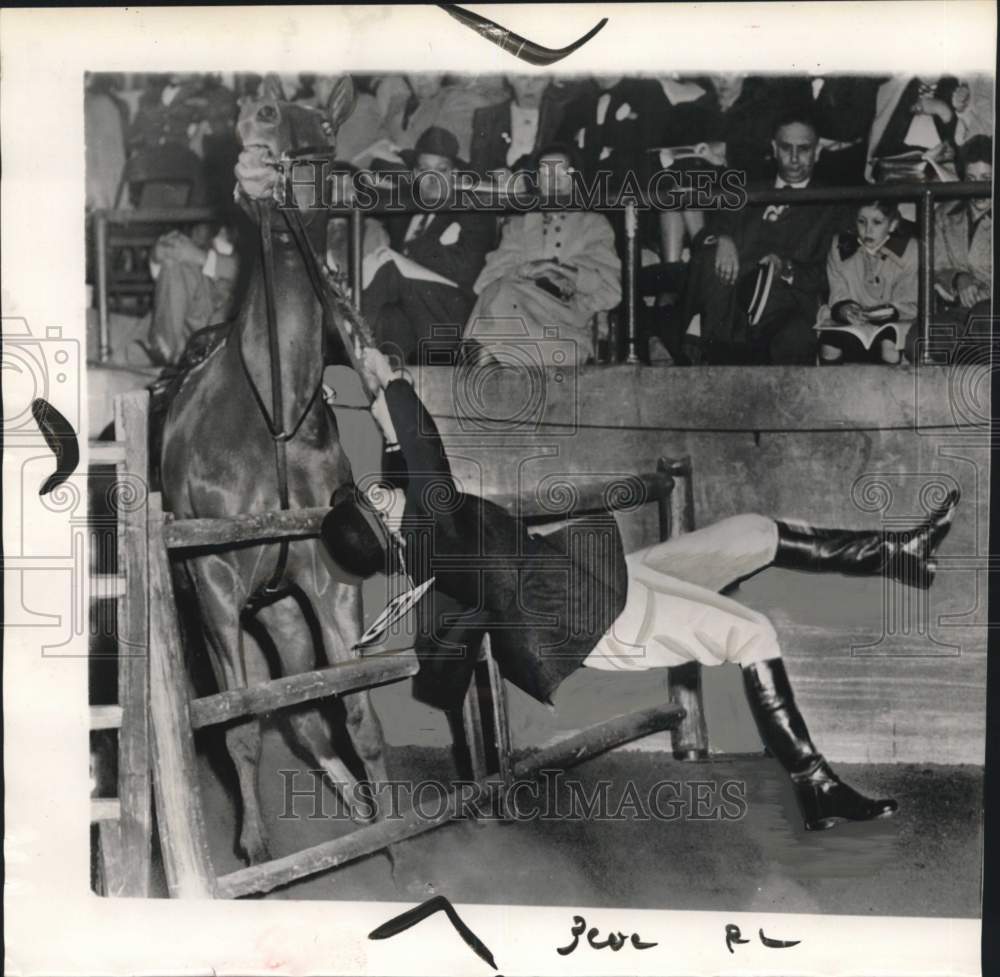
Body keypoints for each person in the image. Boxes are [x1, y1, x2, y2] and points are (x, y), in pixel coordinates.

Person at [321, 346, 960, 833]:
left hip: (595, 581)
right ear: (383, 514)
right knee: (752, 633)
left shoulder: (417, 530)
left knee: (752, 531)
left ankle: (897, 552)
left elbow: (407, 455)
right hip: (601, 617)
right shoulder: (430, 520)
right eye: (374, 492)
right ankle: (815, 782)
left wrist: (381, 395)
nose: (380, 483)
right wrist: (392, 379)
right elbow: (423, 448)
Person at [679, 109, 842, 364]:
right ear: (774, 149)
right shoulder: (748, 191)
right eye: (787, 148)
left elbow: (830, 273)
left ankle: (704, 343)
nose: (795, 158)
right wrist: (723, 238)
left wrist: (787, 269)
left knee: (795, 337)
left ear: (818, 151)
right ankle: (713, 351)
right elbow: (704, 236)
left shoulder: (832, 204)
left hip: (787, 304)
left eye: (804, 149)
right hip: (731, 305)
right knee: (710, 256)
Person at [463, 144, 621, 365]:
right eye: (546, 173)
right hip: (518, 312)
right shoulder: (520, 224)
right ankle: (487, 365)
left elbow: (609, 289)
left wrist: (558, 269)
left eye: (562, 172)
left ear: (575, 178)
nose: (554, 180)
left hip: (566, 322)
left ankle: (484, 361)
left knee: (500, 305)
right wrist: (527, 269)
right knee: (499, 290)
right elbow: (487, 280)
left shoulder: (593, 223)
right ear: (536, 180)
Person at [361, 126, 496, 364]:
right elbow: (368, 182)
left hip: (450, 314)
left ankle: (351, 342)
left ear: (455, 174)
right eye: (424, 170)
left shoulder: (473, 212)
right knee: (388, 317)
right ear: (414, 174)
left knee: (388, 266)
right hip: (411, 313)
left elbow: (467, 272)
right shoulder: (404, 210)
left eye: (441, 170)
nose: (432, 179)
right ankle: (386, 379)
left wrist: (411, 252)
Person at [818, 200, 918, 365]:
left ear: (892, 225)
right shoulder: (841, 247)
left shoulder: (910, 250)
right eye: (861, 222)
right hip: (853, 321)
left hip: (897, 320)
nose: (868, 230)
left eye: (877, 222)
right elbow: (838, 290)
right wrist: (845, 309)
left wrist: (883, 312)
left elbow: (909, 300)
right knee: (829, 344)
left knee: (889, 346)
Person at [932, 135, 992, 346]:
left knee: (983, 322)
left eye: (986, 179)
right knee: (919, 341)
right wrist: (958, 279)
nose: (978, 189)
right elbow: (936, 267)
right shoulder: (943, 214)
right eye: (971, 179)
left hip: (991, 312)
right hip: (957, 309)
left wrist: (982, 292)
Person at [469, 75, 567, 180]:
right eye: (523, 78)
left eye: (538, 79)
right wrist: (494, 173)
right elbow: (478, 164)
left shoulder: (562, 116)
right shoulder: (487, 117)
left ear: (548, 82)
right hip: (499, 188)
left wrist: (530, 179)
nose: (530, 86)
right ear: (510, 79)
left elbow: (564, 161)